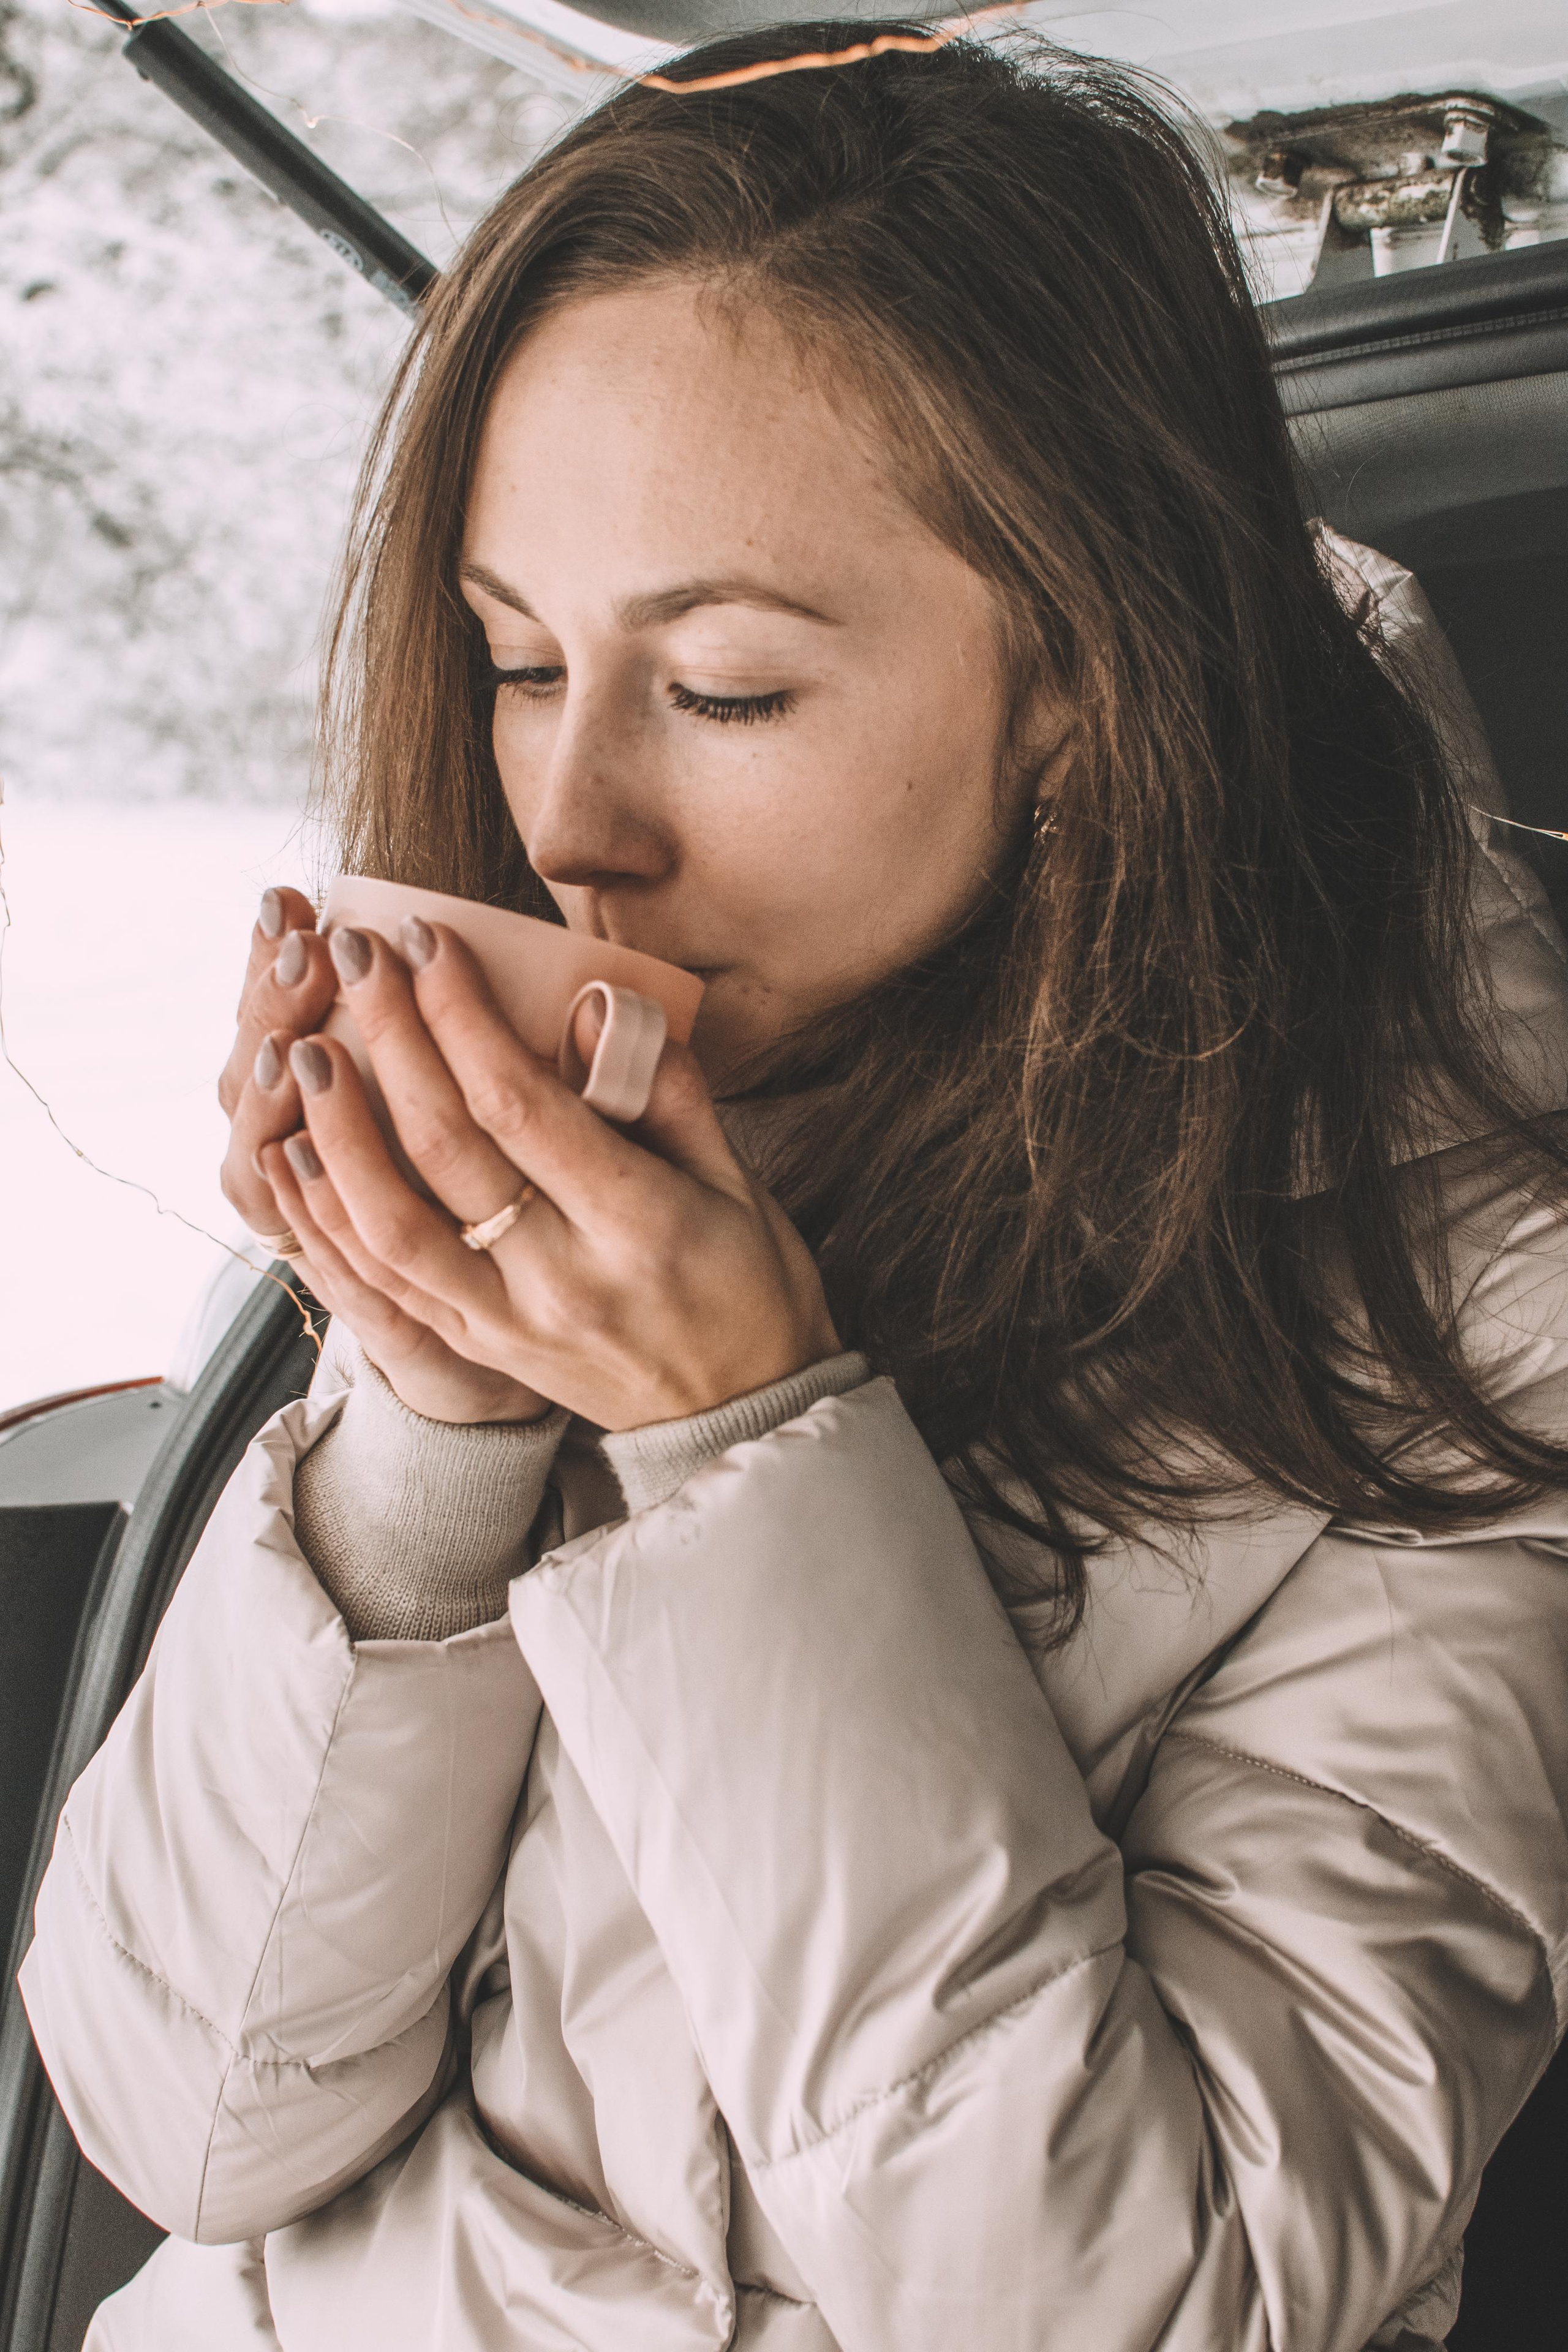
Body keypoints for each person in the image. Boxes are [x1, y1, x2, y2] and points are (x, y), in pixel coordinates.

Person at [20, 23, 1568, 2351]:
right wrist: (427, 1444)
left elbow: (1126, 2299)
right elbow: (179, 2123)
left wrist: (743, 1446)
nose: (569, 821)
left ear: (1090, 677)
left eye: (727, 690)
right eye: (523, 657)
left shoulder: (1491, 1316)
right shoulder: (592, 1131)